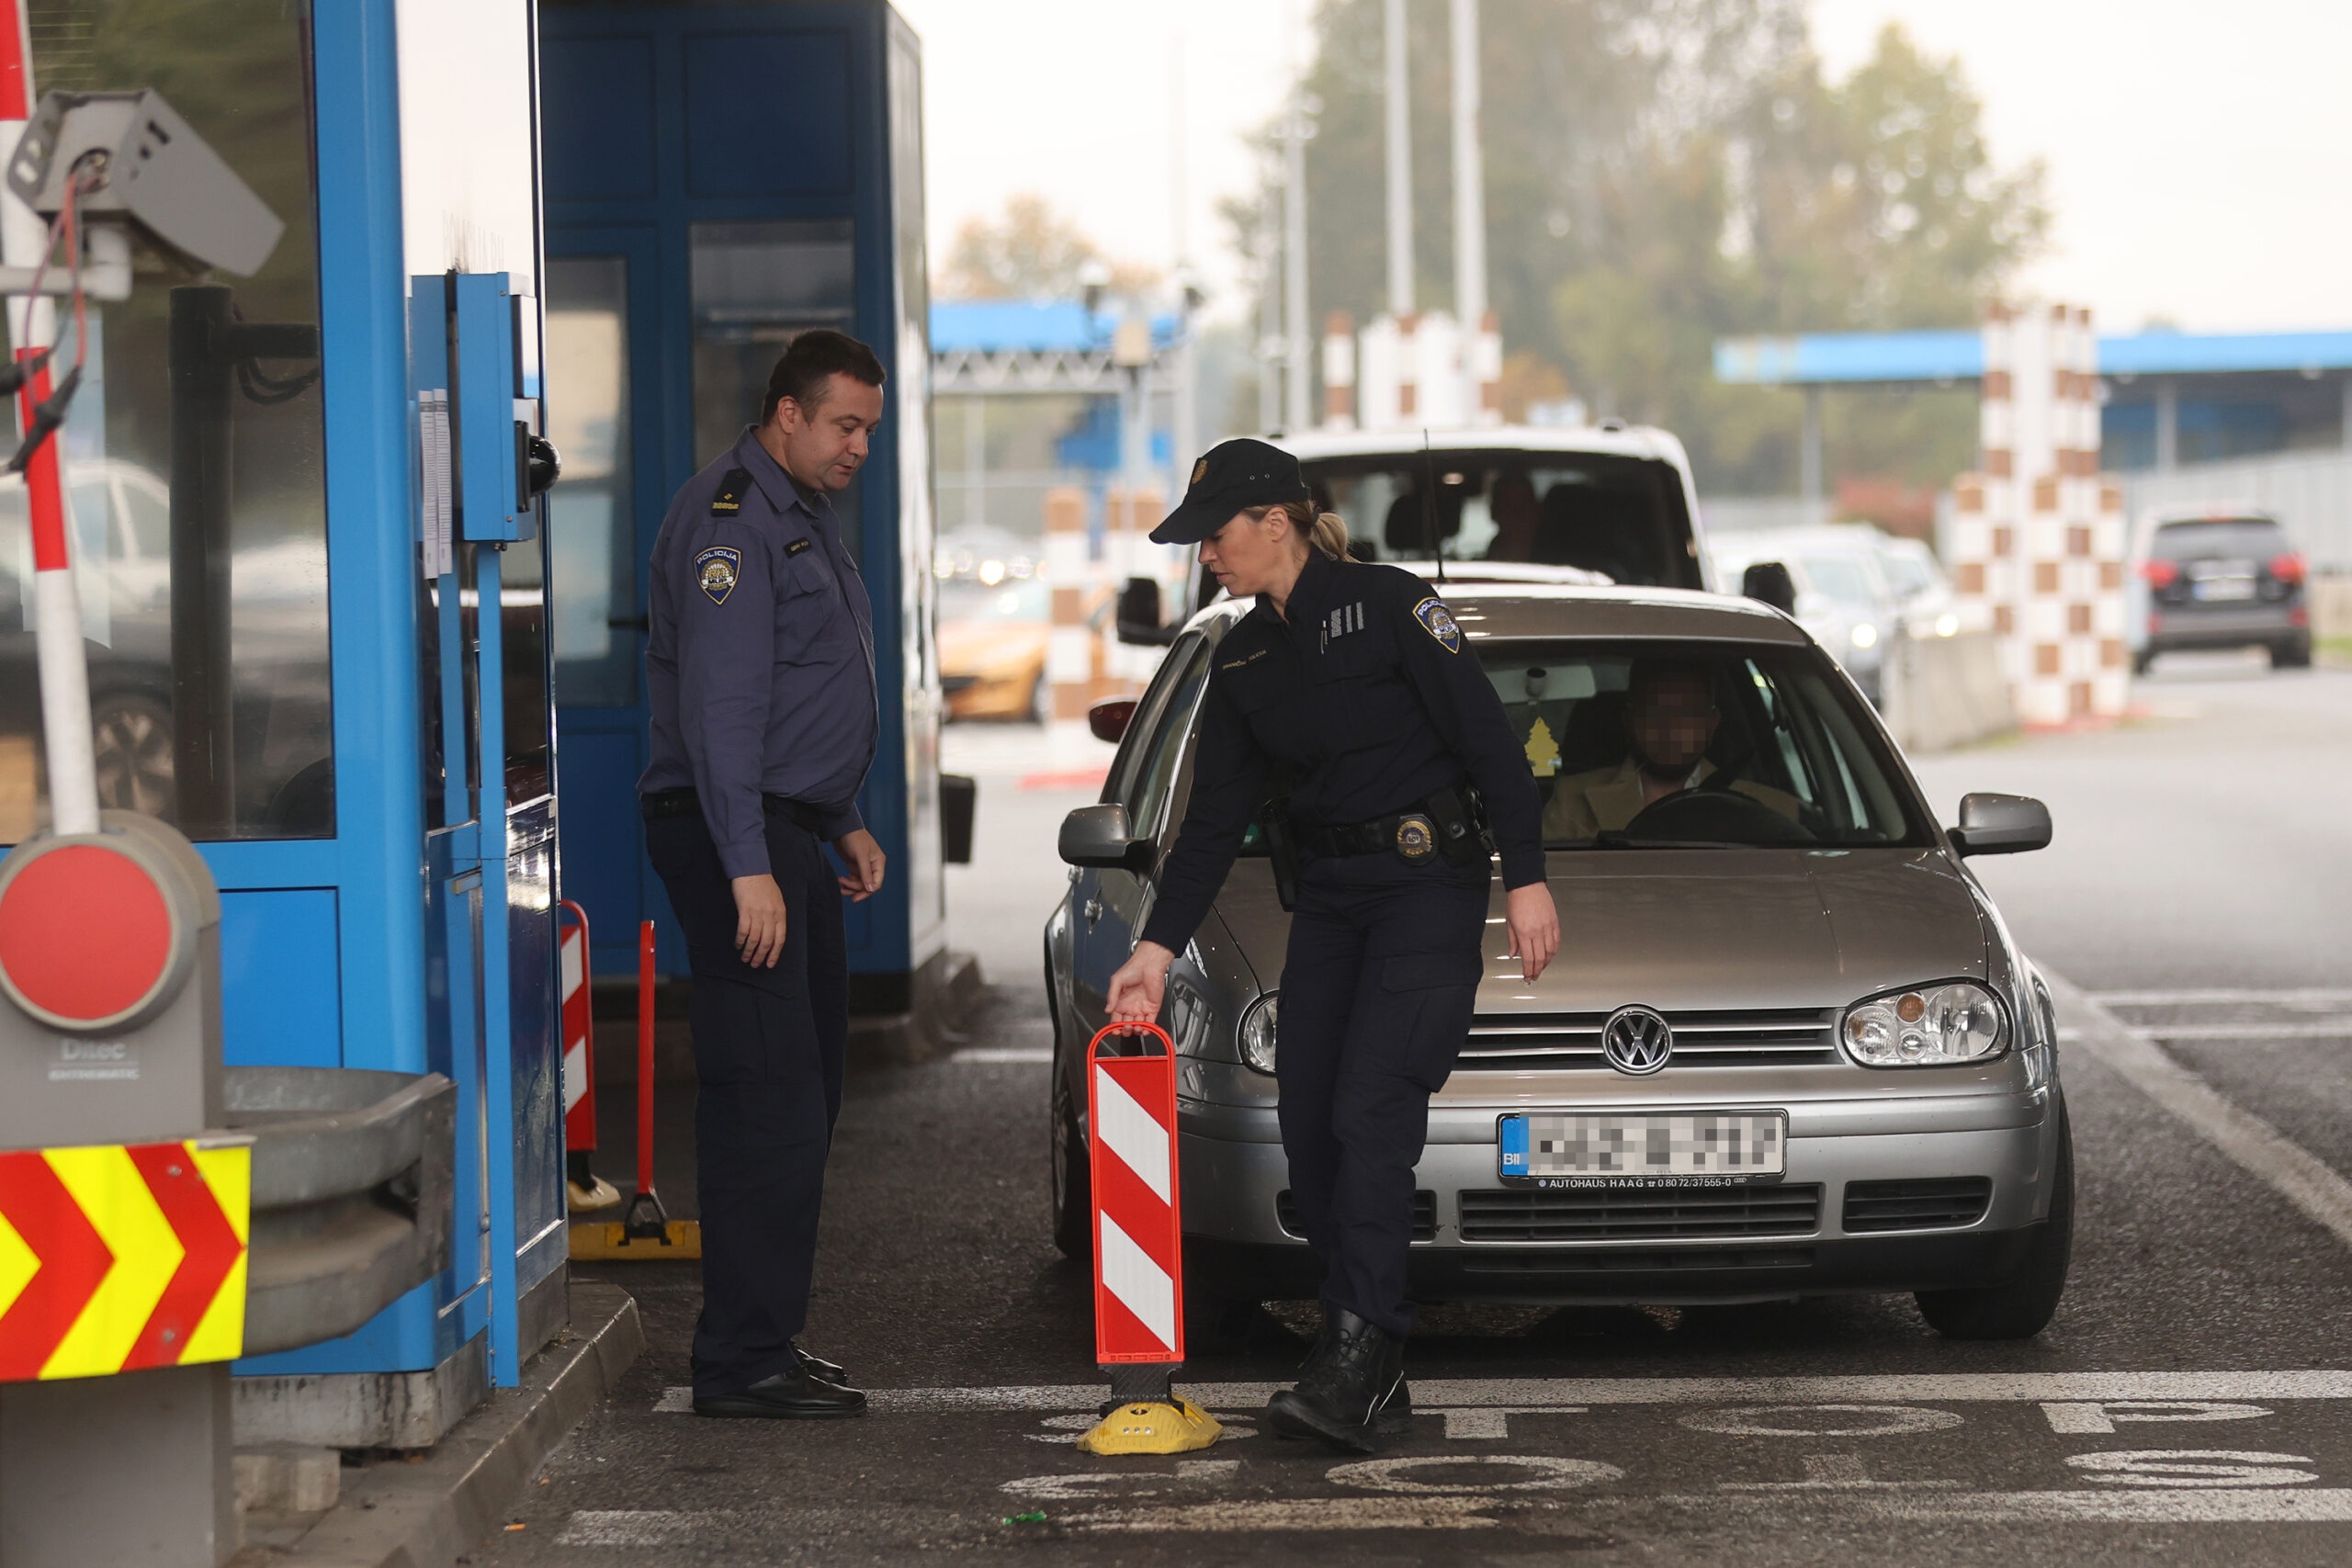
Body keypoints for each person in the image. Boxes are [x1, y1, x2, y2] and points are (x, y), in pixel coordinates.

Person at [1102, 438, 1561, 1453]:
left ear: (1276, 523)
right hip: (1334, 905)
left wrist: (1524, 878)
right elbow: (1211, 819)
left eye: (1214, 537)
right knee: (1309, 1128)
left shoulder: (1393, 607)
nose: (1204, 558)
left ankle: (1358, 1348)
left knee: (1369, 1113)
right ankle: (1370, 1359)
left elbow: (1489, 742)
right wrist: (1156, 946)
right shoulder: (1245, 655)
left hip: (1425, 894)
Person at [639, 330, 888, 1420]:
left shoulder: (802, 516)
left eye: (869, 429)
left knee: (809, 1092)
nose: (858, 448)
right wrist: (750, 866)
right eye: (844, 425)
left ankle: (765, 1339)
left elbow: (797, 695)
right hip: (729, 834)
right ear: (785, 413)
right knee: (764, 1099)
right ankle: (738, 1362)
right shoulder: (732, 522)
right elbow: (723, 714)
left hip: (783, 830)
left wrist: (839, 819)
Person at [1541, 659, 1800, 840]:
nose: (1671, 728)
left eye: (1687, 715)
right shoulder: (1571, 802)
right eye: (1655, 713)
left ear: (1712, 724)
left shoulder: (1773, 812)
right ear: (1629, 721)